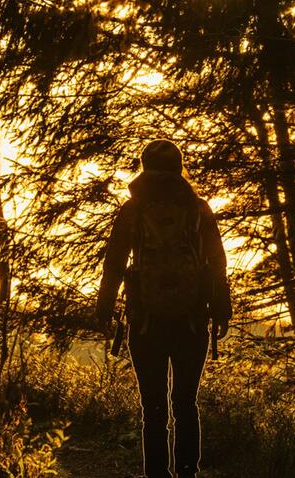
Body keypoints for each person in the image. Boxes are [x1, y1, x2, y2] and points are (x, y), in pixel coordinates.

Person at [95, 139, 231, 478]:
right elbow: (217, 262)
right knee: (186, 404)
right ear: (179, 166)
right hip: (192, 318)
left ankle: (156, 475)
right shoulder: (199, 208)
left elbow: (113, 261)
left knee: (152, 409)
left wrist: (104, 307)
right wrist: (222, 308)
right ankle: (188, 473)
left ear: (144, 167)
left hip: (145, 320)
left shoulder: (133, 209)